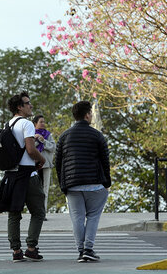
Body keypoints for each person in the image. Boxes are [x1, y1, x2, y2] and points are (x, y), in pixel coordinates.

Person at [55, 101, 111, 263]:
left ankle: (81, 251)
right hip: (94, 184)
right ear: (87, 115)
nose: (92, 116)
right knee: (93, 216)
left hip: (72, 185)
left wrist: (63, 184)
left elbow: (58, 163)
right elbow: (105, 160)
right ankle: (88, 249)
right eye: (91, 113)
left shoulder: (64, 136)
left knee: (77, 218)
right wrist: (107, 182)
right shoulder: (97, 135)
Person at [0, 91, 46, 262]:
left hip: (11, 175)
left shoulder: (8, 124)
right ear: (20, 107)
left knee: (14, 213)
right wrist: (42, 159)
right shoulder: (26, 124)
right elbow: (31, 150)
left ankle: (16, 251)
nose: (31, 105)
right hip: (27, 174)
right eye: (27, 103)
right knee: (39, 211)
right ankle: (31, 247)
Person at [33, 115, 56, 221]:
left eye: (44, 122)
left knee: (45, 189)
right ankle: (35, 212)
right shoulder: (30, 134)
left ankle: (43, 213)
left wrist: (43, 141)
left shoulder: (48, 135)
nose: (43, 123)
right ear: (35, 124)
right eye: (41, 122)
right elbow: (30, 147)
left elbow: (53, 148)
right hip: (34, 165)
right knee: (35, 190)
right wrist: (37, 139)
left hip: (46, 165)